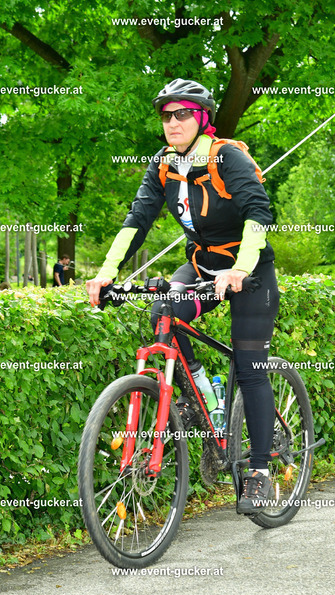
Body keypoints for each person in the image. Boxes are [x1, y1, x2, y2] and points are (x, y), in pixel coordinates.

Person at [86, 78, 280, 514]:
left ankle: (260, 471)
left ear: (202, 118)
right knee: (164, 310)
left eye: (183, 114)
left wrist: (240, 269)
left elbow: (259, 213)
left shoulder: (227, 157)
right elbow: (137, 220)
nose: (173, 122)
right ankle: (197, 397)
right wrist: (105, 275)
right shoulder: (163, 165)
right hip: (201, 266)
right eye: (166, 115)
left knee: (250, 368)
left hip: (249, 273)